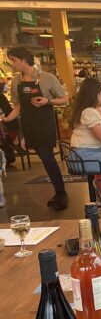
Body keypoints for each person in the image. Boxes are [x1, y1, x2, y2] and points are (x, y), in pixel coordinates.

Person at [0, 47, 69, 210]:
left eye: (14, 60)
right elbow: (18, 105)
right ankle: (59, 191)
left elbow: (64, 99)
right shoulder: (16, 81)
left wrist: (47, 101)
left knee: (47, 157)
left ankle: (61, 193)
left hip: (45, 123)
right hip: (29, 124)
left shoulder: (46, 78)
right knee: (44, 157)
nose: (12, 63)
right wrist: (7, 118)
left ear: (24, 60)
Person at [0, 80, 19, 165]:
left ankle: (7, 157)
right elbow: (8, 110)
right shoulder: (1, 97)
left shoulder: (1, 97)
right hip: (8, 127)